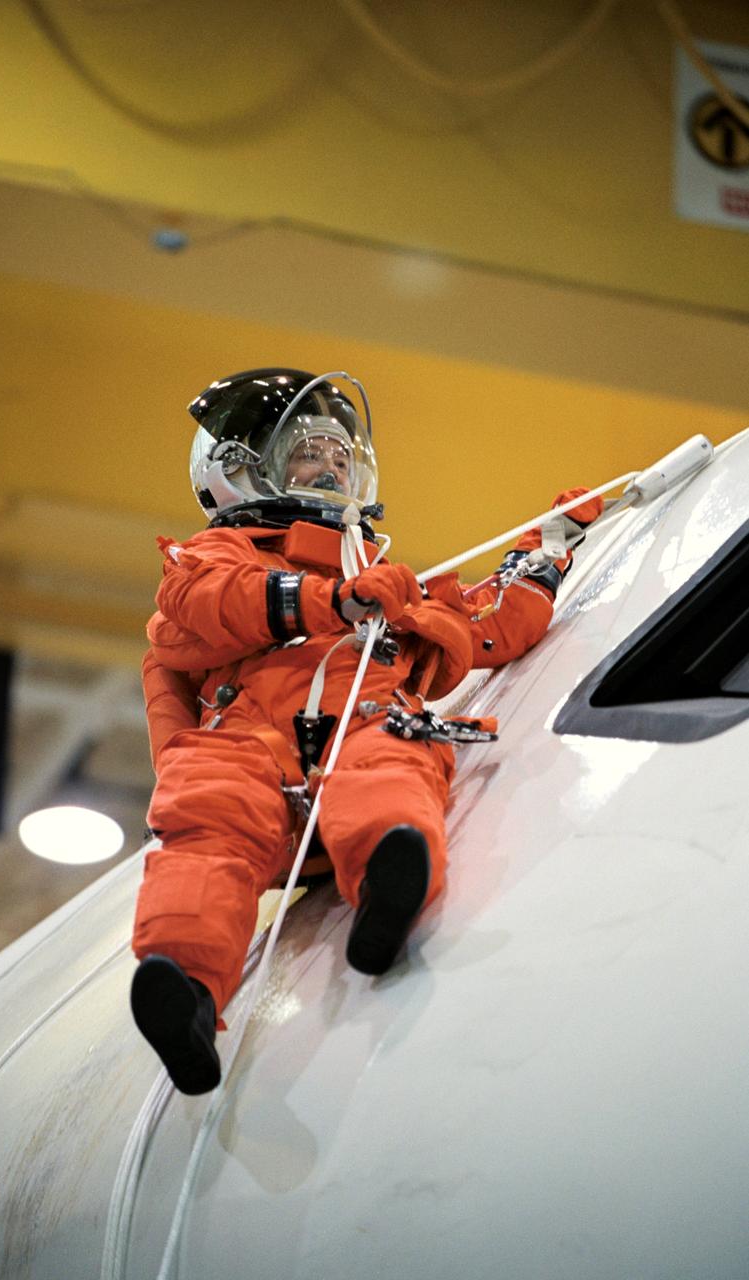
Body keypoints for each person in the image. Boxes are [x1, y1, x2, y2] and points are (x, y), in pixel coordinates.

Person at [130, 367, 602, 1094]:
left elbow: (482, 628)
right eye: (308, 452)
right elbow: (206, 602)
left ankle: (388, 879)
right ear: (237, 470)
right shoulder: (220, 556)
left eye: (341, 457)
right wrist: (332, 603)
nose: (330, 468)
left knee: (394, 756)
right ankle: (184, 990)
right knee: (210, 820)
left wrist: (545, 549)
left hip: (364, 717)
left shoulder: (385, 581)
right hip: (249, 742)